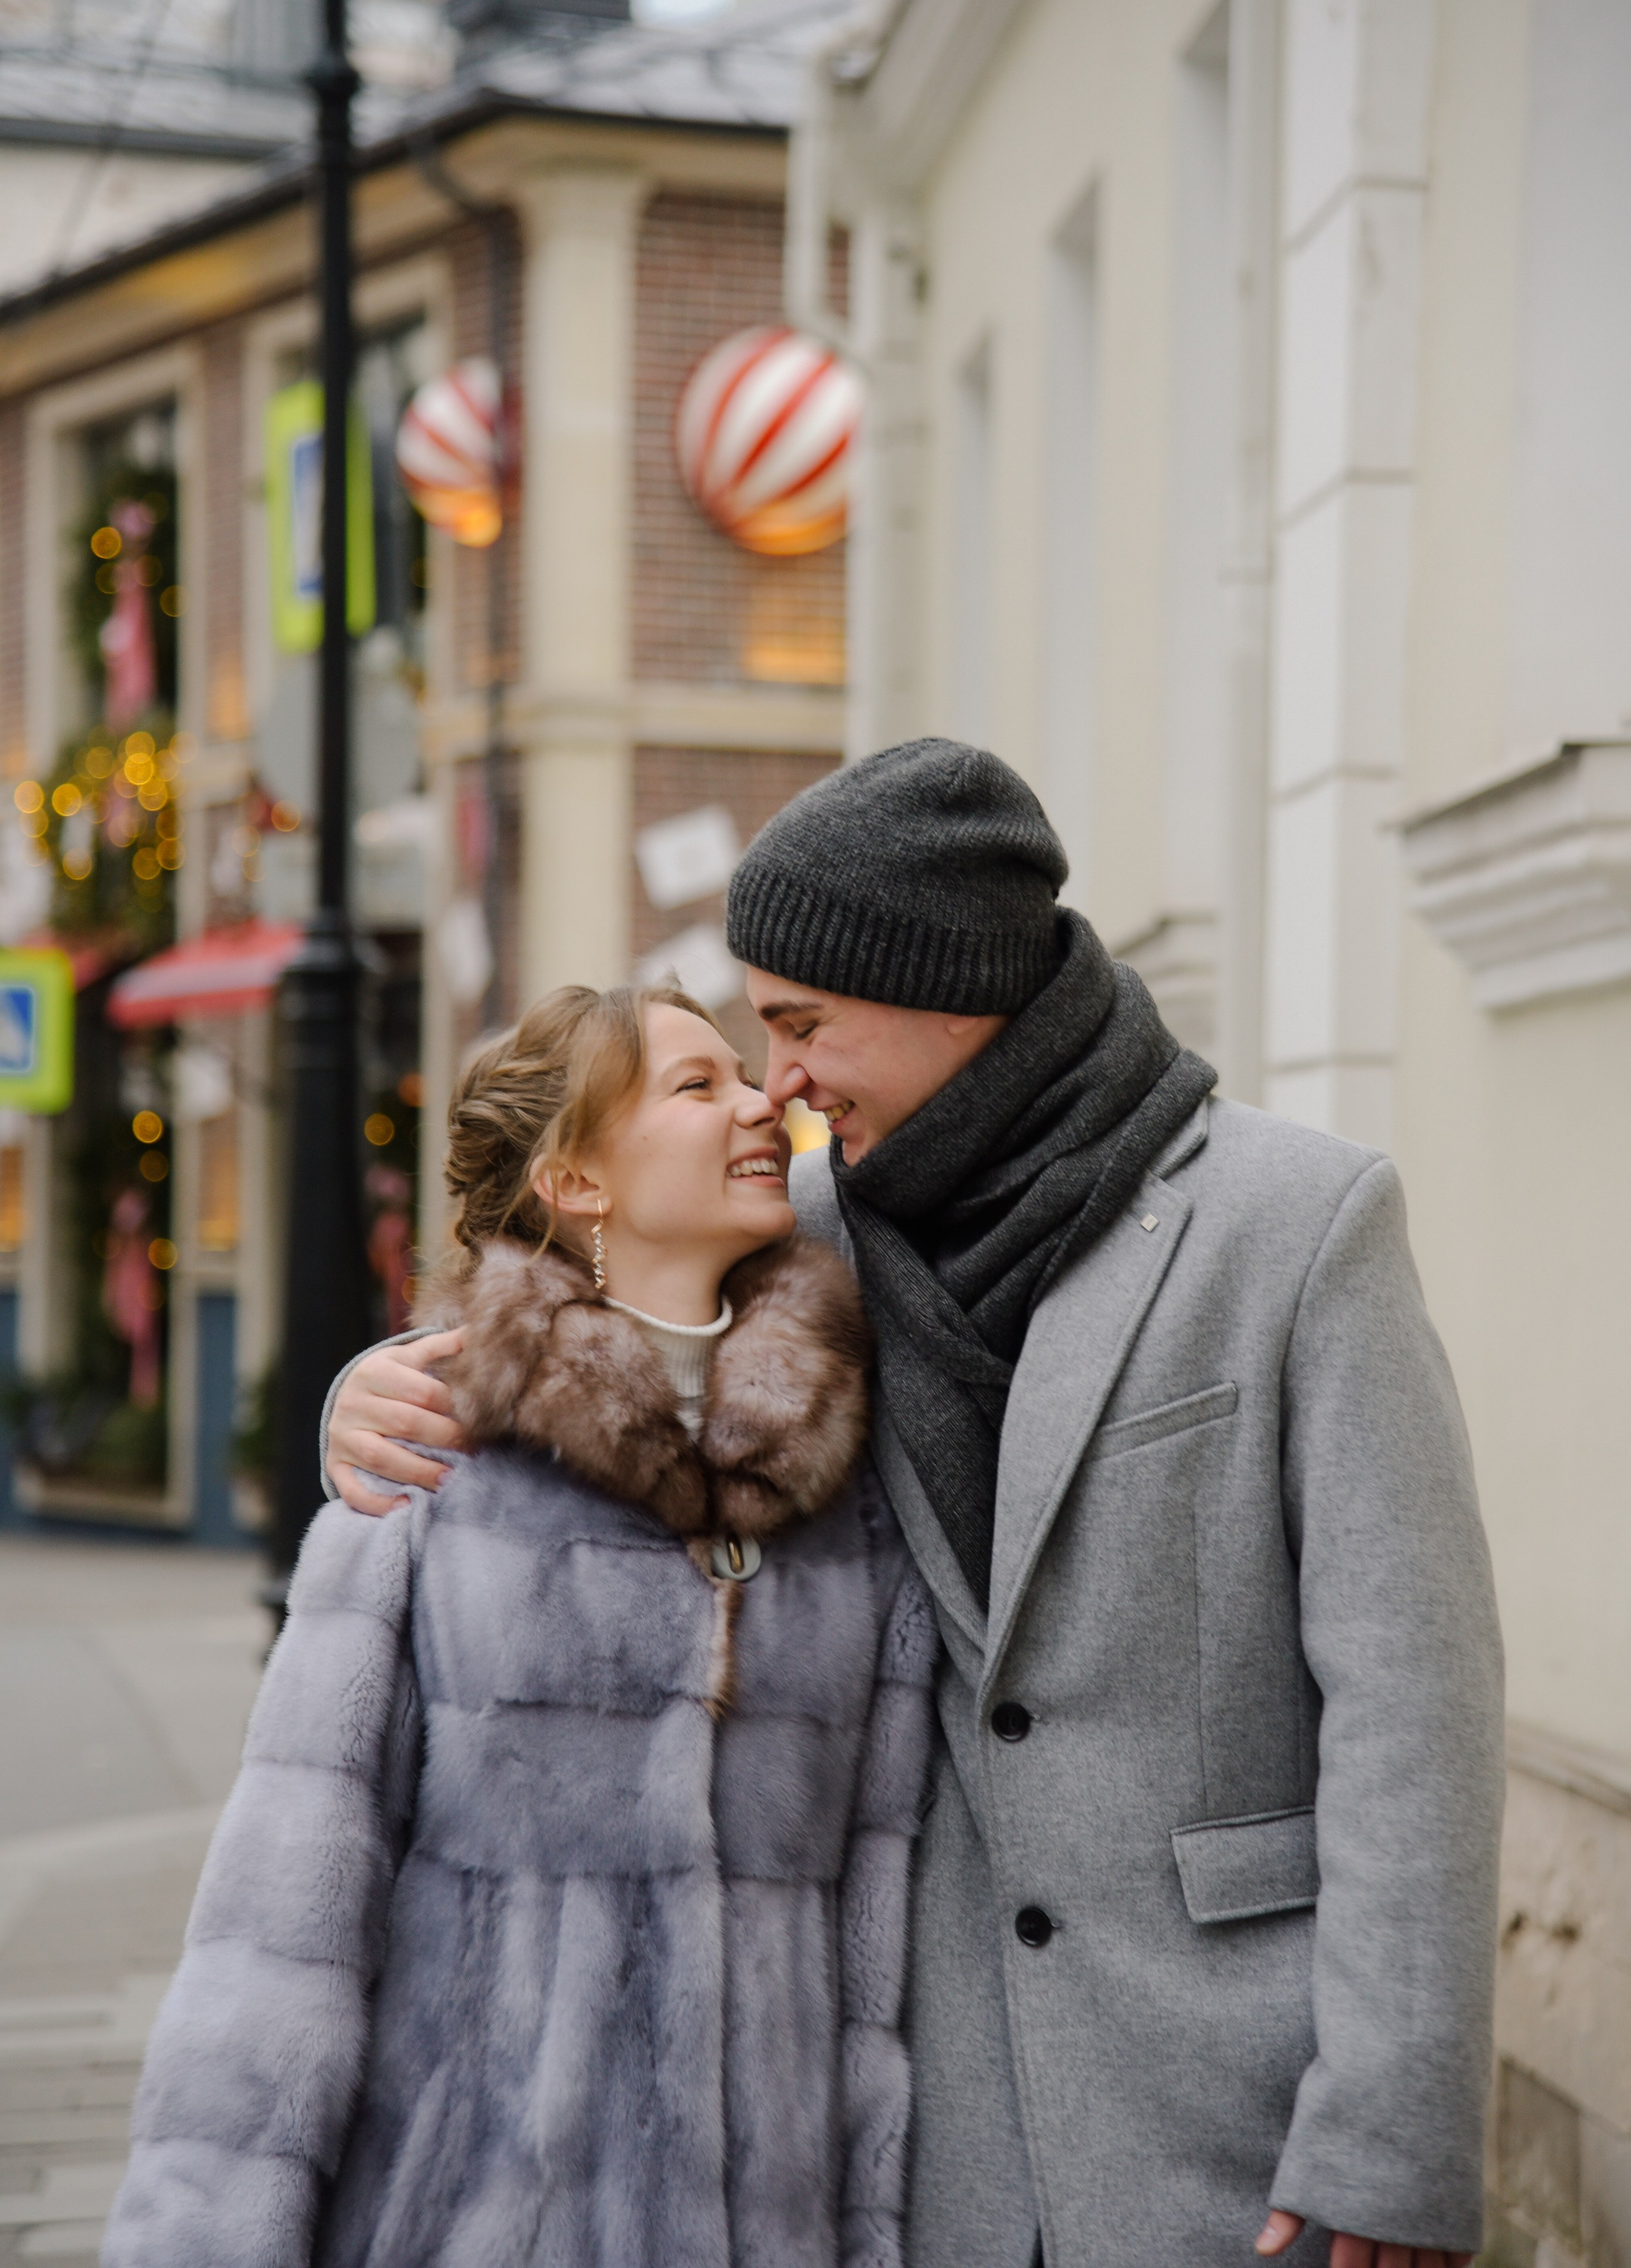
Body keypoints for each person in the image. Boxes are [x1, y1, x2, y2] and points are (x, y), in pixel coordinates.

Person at [326, 742, 1505, 2268]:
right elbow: (584, 1333)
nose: (780, 1083)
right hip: (916, 2146)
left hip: (1239, 2122)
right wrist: (381, 1388)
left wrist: (1393, 2129)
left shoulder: (1290, 1224)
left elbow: (1413, 1699)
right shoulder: (800, 1238)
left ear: (946, 988)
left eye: (805, 1025)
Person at [103, 983, 936, 2268]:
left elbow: (871, 1952)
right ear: (575, 1181)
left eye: (747, 1072)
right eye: (695, 1085)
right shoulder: (431, 1478)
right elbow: (282, 1933)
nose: (762, 1100)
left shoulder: (840, 1500)